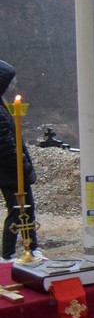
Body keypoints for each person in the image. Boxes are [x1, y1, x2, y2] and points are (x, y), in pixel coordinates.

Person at [0, 60, 39, 260]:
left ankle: (32, 247)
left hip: (14, 171)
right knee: (17, 211)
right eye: (11, 81)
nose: (14, 84)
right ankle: (8, 254)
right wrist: (22, 164)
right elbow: (6, 145)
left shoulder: (3, 106)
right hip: (11, 173)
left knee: (27, 209)